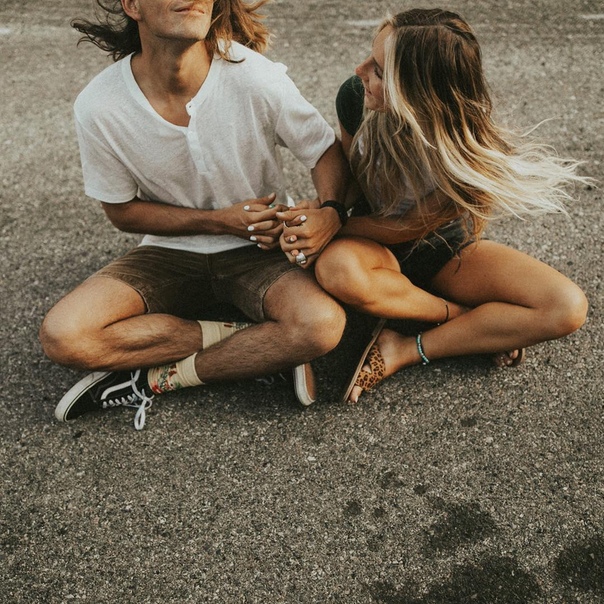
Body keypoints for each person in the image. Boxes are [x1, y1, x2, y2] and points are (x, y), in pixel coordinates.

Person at [39, 0, 351, 429]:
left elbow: (323, 150)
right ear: (132, 5)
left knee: (320, 326)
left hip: (258, 250)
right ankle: (254, 345)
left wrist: (331, 210)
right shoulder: (100, 104)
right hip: (168, 252)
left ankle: (157, 379)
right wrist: (218, 221)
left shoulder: (251, 75)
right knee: (64, 336)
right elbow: (122, 212)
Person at [287, 8, 589, 403]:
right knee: (338, 270)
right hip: (369, 246)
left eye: (379, 70)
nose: (360, 70)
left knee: (566, 306)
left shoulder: (469, 149)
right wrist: (322, 212)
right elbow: (352, 184)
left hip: (440, 249)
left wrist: (331, 223)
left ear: (419, 93)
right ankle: (464, 320)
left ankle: (405, 348)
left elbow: (409, 227)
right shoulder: (355, 97)